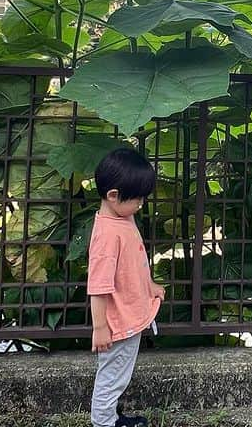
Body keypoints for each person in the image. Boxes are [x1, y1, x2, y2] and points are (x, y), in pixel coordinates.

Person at [88, 147, 165, 427]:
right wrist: (100, 328)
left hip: (127, 315)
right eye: (137, 199)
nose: (141, 204)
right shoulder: (107, 236)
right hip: (117, 324)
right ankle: (104, 423)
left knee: (118, 375)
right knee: (112, 377)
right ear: (113, 196)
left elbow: (135, 260)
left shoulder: (121, 217)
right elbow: (98, 287)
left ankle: (111, 417)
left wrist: (149, 285)